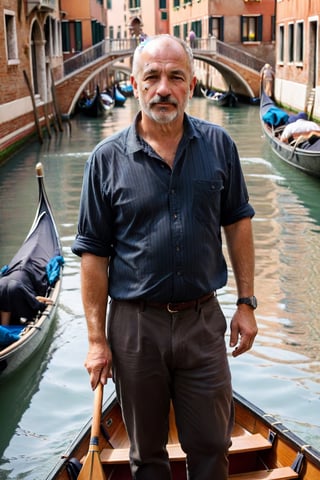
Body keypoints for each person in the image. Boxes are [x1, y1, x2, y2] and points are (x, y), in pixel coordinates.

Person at [72, 34, 258, 480]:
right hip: (135, 329)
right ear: (135, 83)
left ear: (191, 84)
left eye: (175, 77)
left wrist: (247, 303)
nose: (163, 88)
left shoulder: (219, 147)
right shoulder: (105, 160)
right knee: (147, 455)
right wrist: (97, 341)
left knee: (213, 444)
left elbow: (238, 223)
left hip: (202, 323)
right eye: (152, 77)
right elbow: (93, 255)